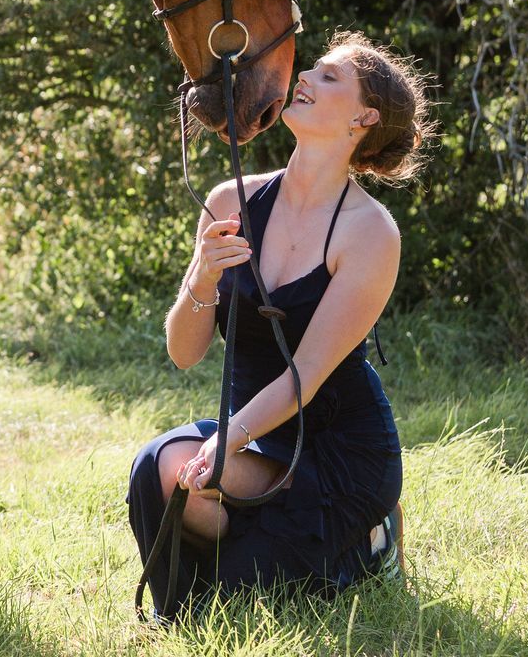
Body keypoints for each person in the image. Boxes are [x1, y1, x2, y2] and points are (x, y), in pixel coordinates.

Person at [127, 30, 435, 618]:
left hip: (337, 451)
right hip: (258, 439)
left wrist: (226, 440)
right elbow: (183, 354)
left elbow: (308, 374)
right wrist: (201, 280)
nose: (304, 79)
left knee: (241, 604)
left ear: (364, 118)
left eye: (328, 77)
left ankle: (373, 540)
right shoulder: (228, 201)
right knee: (160, 470)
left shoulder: (370, 234)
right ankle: (226, 573)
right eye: (311, 70)